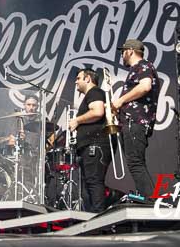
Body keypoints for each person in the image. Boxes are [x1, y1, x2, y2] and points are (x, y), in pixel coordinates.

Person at [111, 39, 159, 198]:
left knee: (135, 163)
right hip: (132, 122)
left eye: (122, 51)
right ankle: (149, 199)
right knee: (136, 163)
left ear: (130, 51)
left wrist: (121, 100)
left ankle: (151, 202)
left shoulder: (142, 65)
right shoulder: (138, 68)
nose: (122, 55)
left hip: (135, 122)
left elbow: (145, 86)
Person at [68, 68, 112, 212]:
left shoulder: (94, 92)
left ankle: (98, 218)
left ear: (87, 79)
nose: (76, 81)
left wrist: (77, 121)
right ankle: (93, 217)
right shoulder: (92, 94)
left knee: (94, 181)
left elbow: (98, 111)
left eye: (79, 78)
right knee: (90, 183)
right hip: (90, 146)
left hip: (95, 145)